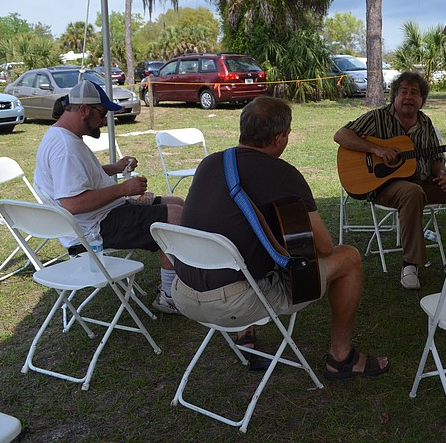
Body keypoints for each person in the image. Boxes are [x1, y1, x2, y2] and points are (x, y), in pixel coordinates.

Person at [173, 96, 389, 380]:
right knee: (348, 257)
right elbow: (324, 247)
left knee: (239, 241)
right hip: (232, 304)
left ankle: (245, 333)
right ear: (279, 138)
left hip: (184, 293)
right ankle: (341, 358)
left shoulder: (210, 163)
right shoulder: (283, 173)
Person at [33, 81, 185, 314]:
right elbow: (72, 204)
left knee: (177, 203)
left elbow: (79, 179)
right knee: (174, 216)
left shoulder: (63, 136)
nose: (104, 121)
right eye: (102, 114)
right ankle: (169, 296)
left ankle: (182, 277)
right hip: (93, 230)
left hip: (101, 216)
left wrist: (114, 168)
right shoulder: (65, 148)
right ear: (84, 109)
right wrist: (123, 189)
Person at [333, 71, 446, 290]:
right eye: (403, 92)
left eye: (414, 93)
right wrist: (377, 149)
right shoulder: (377, 117)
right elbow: (341, 135)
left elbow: (435, 156)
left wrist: (440, 172)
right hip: (385, 186)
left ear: (422, 100)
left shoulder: (425, 122)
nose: (408, 97)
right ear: (395, 96)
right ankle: (410, 264)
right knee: (412, 192)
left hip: (423, 181)